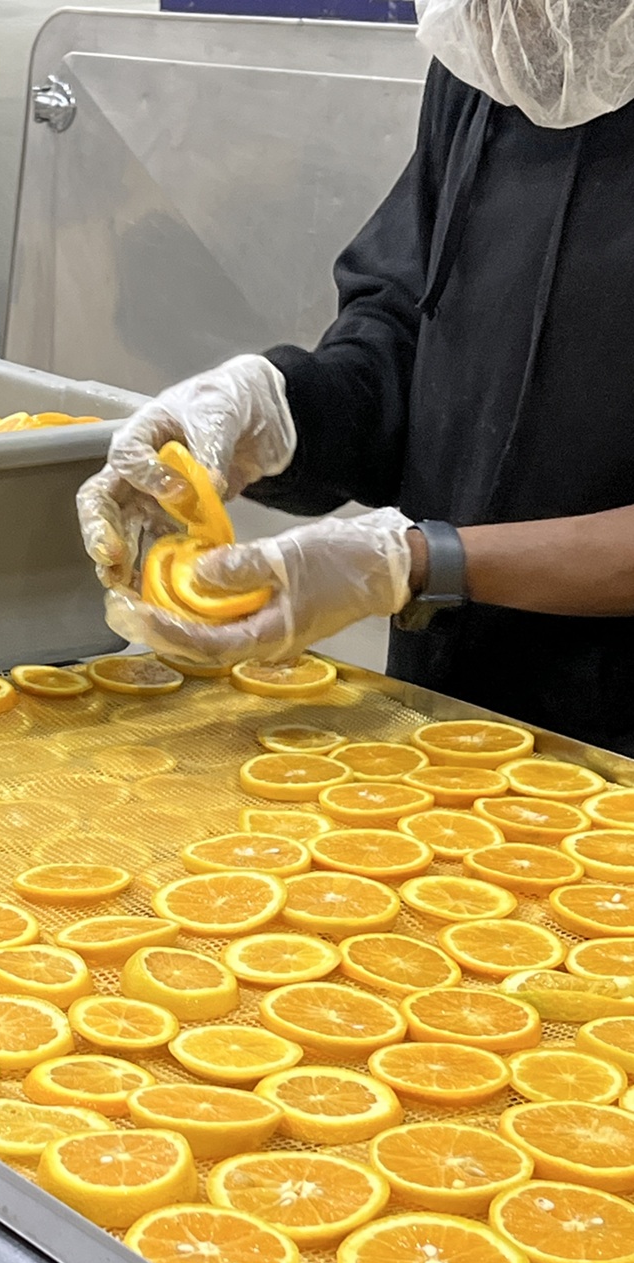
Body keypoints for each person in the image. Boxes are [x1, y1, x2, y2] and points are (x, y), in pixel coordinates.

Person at [77, 0, 634, 754]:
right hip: (447, 721)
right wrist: (275, 411)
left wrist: (416, 562)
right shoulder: (493, 59)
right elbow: (403, 331)